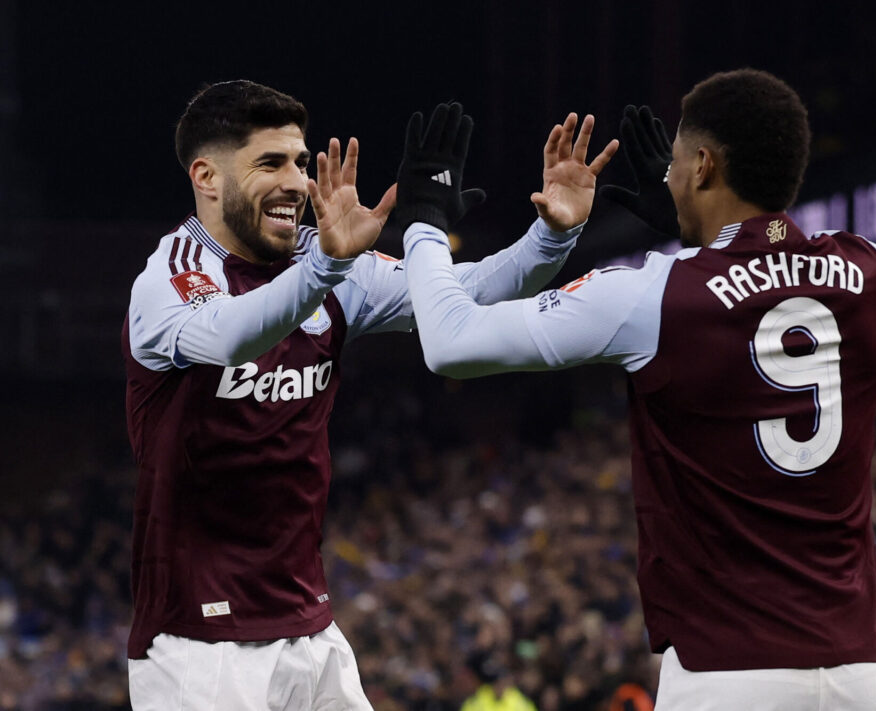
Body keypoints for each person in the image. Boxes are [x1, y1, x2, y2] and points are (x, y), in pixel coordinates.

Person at [398, 69, 876, 710]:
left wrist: (423, 220)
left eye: (678, 165)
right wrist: (702, 227)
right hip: (858, 672)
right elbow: (768, 269)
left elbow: (449, 344)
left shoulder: (649, 294)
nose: (665, 177)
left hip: (728, 673)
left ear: (704, 166)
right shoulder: (872, 269)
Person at [122, 80, 603, 709]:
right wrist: (325, 268)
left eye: (299, 161)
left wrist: (552, 237)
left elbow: (465, 292)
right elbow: (224, 337)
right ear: (207, 177)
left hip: (310, 626)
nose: (296, 182)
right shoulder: (172, 274)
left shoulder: (323, 262)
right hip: (200, 640)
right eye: (270, 163)